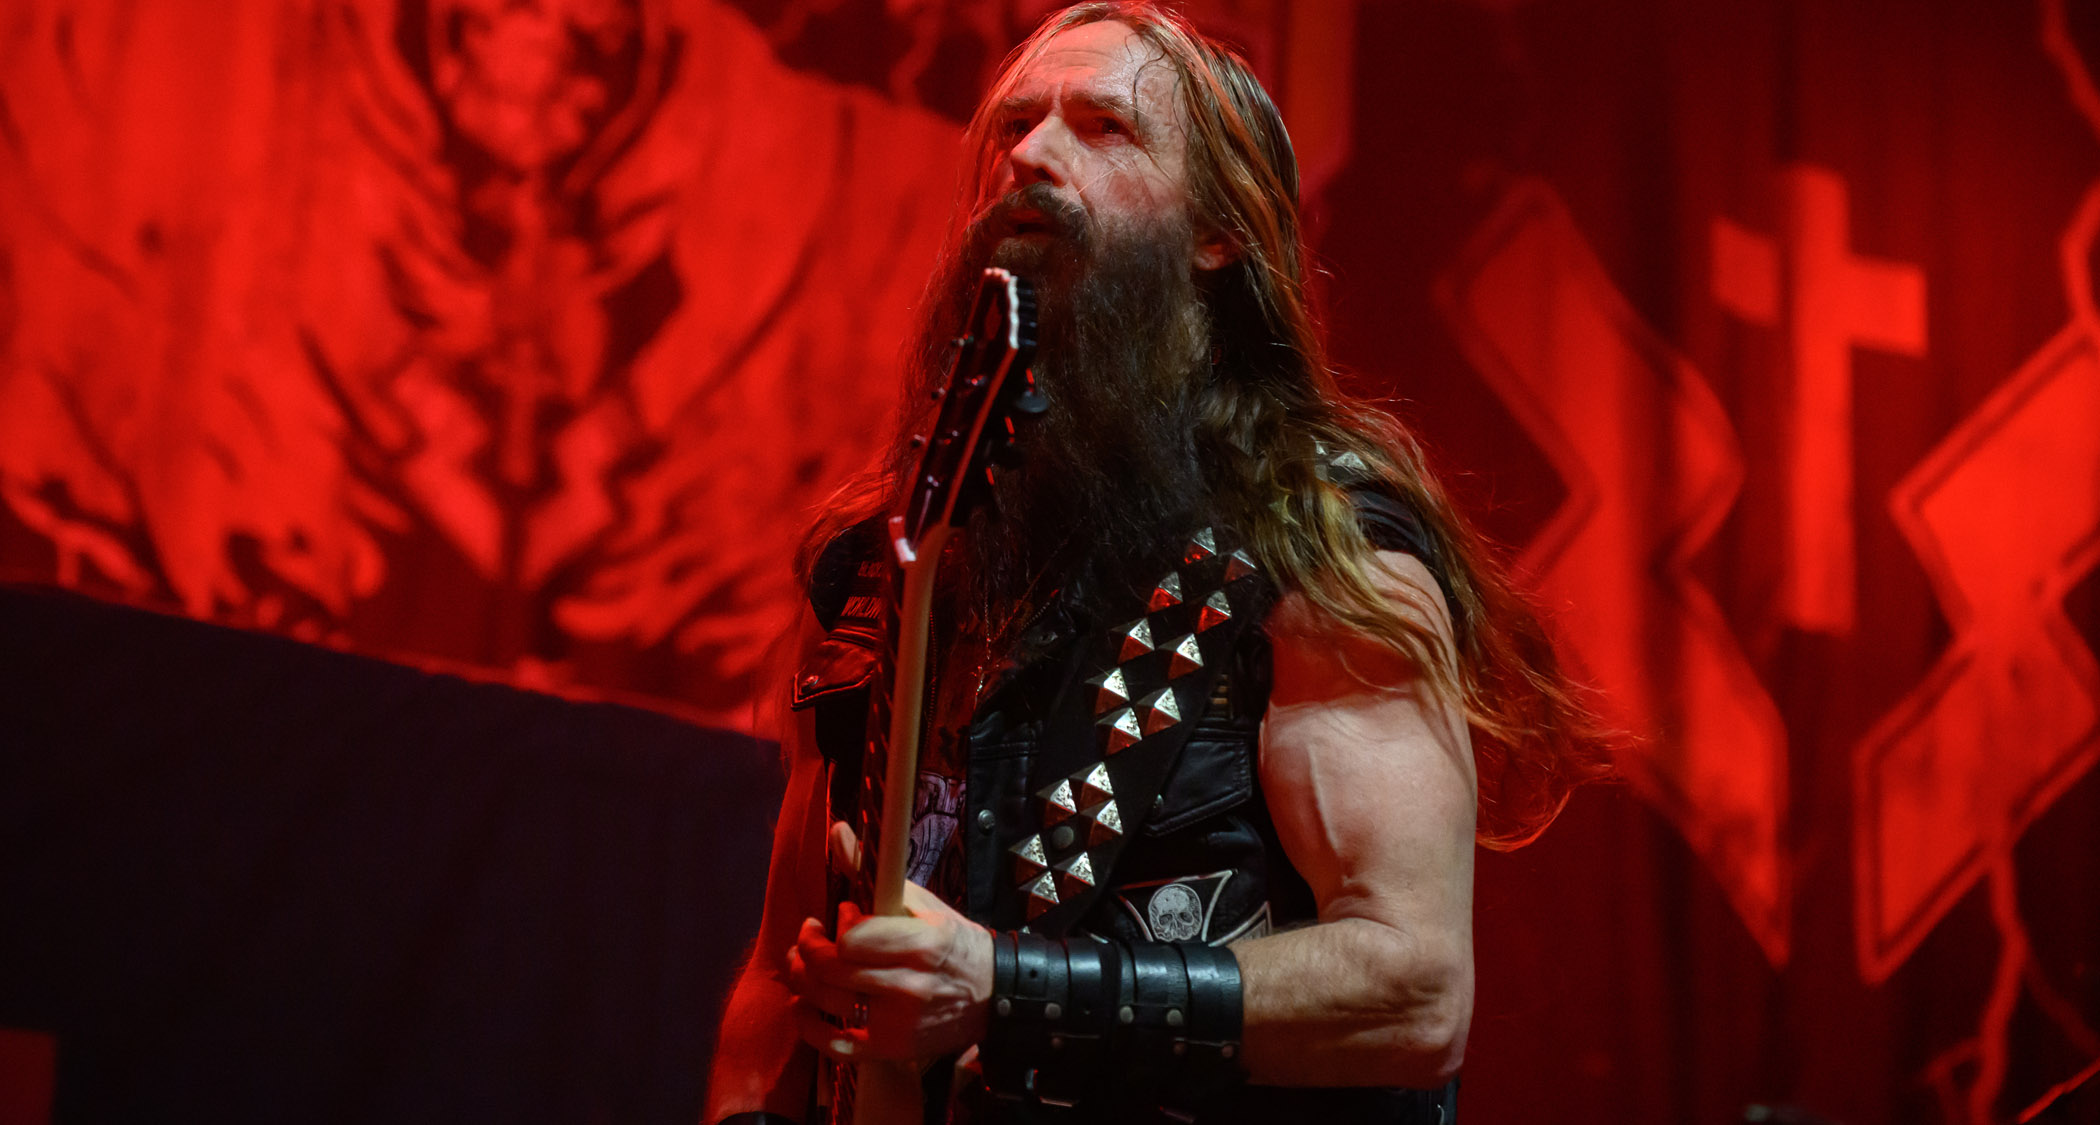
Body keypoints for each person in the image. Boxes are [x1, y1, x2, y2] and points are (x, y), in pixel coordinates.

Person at [705, 4, 1611, 1122]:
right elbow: (778, 981)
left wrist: (1003, 991)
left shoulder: (1323, 553)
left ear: (1218, 233)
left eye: (1105, 127)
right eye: (1014, 126)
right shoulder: (884, 567)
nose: (1032, 154)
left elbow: (1413, 993)